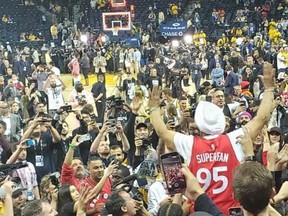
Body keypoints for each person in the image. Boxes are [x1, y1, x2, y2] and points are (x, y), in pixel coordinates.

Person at [148, 63, 276, 215]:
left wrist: (154, 108)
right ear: (222, 123)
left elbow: (162, 132)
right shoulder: (233, 139)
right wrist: (269, 89)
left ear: (200, 126)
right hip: (232, 212)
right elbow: (261, 119)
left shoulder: (190, 144)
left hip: (202, 212)